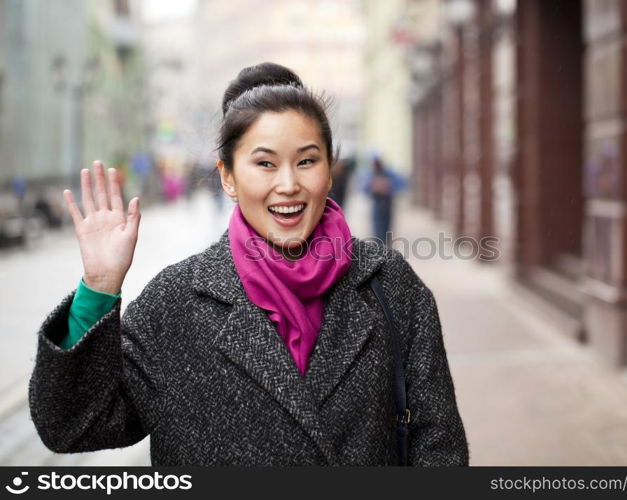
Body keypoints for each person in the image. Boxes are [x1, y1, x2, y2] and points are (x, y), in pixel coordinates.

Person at [28, 62, 468, 466]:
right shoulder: (176, 301)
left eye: (307, 161)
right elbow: (73, 427)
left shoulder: (388, 284)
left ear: (329, 171)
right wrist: (99, 287)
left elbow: (439, 447)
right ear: (228, 177)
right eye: (264, 164)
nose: (289, 184)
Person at [360, 153, 408, 245]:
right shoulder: (370, 174)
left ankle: (386, 246)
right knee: (377, 228)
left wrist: (388, 187)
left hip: (387, 203)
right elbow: (363, 188)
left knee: (387, 227)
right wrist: (373, 187)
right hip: (377, 204)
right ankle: (379, 246)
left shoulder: (389, 173)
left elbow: (401, 184)